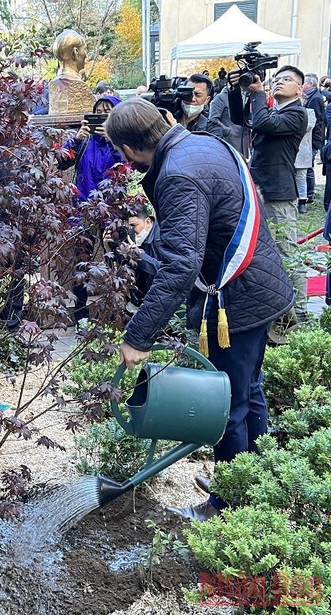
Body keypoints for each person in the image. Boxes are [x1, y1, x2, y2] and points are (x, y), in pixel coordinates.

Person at [105, 98, 293, 521]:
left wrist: (138, 335)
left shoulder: (177, 175)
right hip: (256, 287)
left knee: (227, 404)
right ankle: (253, 479)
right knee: (248, 391)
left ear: (131, 150)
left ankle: (228, 506)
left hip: (237, 297)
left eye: (121, 154)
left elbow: (181, 263)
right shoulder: (201, 143)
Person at [231, 65, 308, 323]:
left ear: (299, 88)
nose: (278, 82)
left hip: (279, 192)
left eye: (286, 79)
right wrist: (237, 90)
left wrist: (258, 93)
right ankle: (276, 306)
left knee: (286, 248)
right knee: (262, 248)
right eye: (276, 79)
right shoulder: (274, 110)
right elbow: (241, 120)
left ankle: (301, 310)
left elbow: (262, 122)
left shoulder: (298, 114)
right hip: (259, 187)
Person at [60, 95, 125, 323]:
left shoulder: (121, 141)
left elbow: (126, 169)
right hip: (83, 207)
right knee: (82, 260)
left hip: (111, 210)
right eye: (99, 112)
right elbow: (62, 161)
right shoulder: (85, 140)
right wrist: (75, 140)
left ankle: (118, 310)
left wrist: (113, 141)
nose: (102, 117)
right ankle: (80, 313)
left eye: (108, 113)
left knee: (116, 258)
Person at [125, 204, 161, 310]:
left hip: (164, 301)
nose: (131, 231)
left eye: (134, 226)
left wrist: (139, 254)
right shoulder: (134, 239)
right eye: (128, 227)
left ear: (148, 222)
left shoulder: (162, 236)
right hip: (144, 300)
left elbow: (165, 270)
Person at [206, 83, 250, 158]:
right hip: (229, 142)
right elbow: (213, 119)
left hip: (243, 142)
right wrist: (228, 131)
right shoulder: (221, 97)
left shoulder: (244, 95)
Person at [302, 73, 327, 204]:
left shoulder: (315, 98)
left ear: (310, 84)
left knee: (308, 166)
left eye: (304, 82)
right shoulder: (311, 96)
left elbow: (314, 121)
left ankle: (310, 194)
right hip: (311, 138)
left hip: (312, 138)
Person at [295, 102, 317, 214]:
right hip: (285, 151)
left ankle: (302, 201)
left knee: (301, 177)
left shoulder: (309, 112)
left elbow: (307, 126)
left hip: (302, 150)